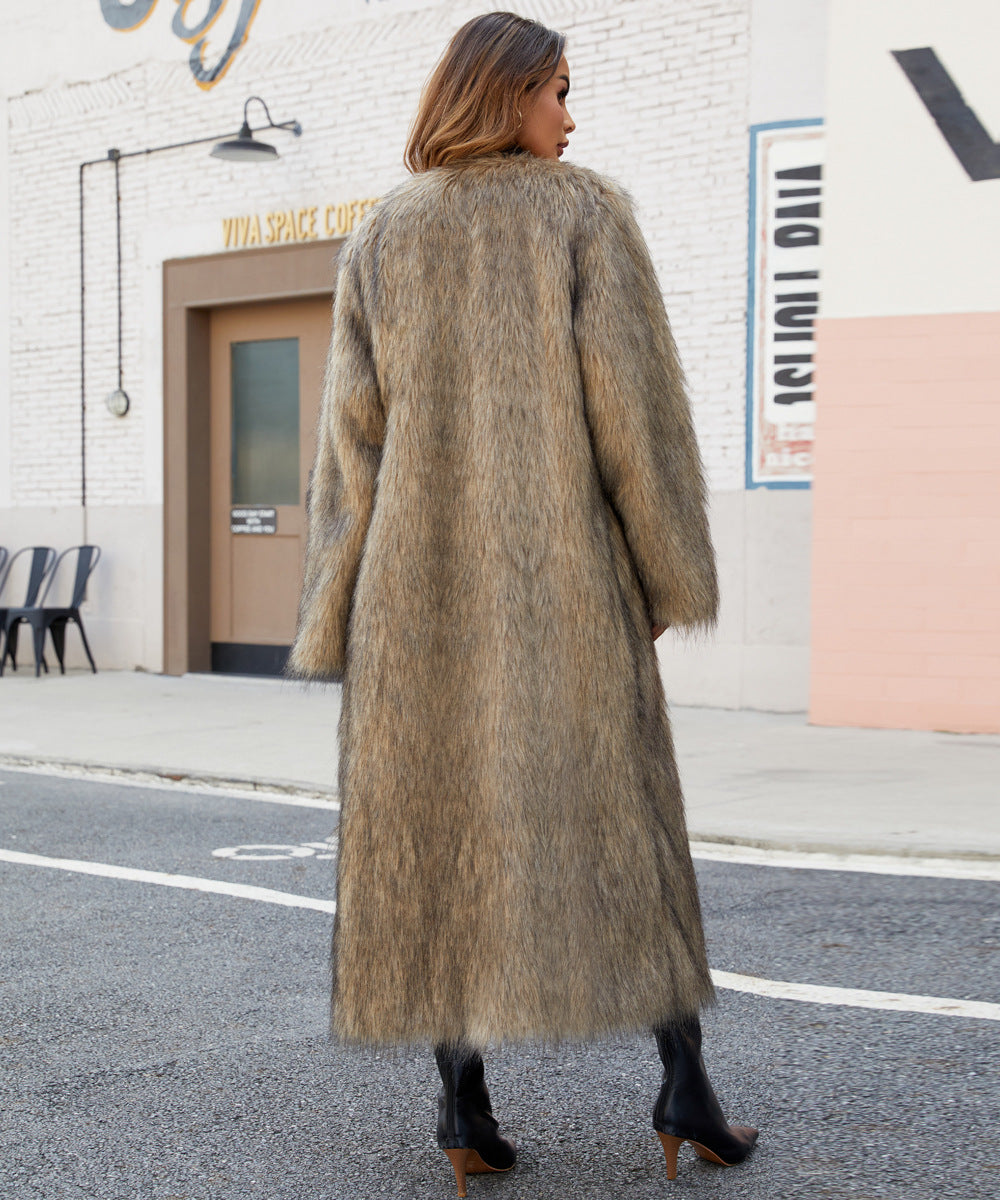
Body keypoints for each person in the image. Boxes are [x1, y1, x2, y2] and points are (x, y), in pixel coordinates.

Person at [289, 10, 758, 1194]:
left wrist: (338, 601)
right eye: (556, 89)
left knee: (435, 839)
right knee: (622, 829)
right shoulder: (583, 214)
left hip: (416, 598)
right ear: (503, 95)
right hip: (564, 589)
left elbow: (350, 443)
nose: (570, 115)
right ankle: (685, 1089)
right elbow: (635, 413)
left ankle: (462, 1109)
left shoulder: (383, 233)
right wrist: (663, 571)